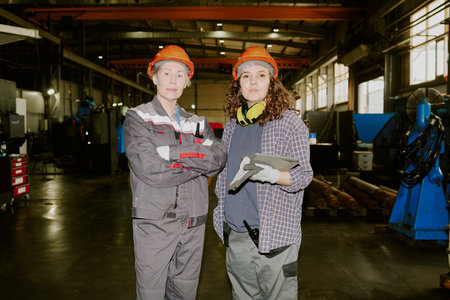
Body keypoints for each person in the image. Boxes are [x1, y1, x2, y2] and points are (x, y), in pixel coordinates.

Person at [123, 45, 227, 300]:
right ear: (154, 76)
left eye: (180, 74)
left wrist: (172, 153)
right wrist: (197, 162)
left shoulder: (198, 123)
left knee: (185, 292)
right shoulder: (138, 118)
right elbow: (151, 170)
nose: (173, 80)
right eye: (166, 72)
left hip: (194, 222)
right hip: (155, 223)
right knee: (151, 293)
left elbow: (219, 157)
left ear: (186, 81)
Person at [213, 46, 313, 299]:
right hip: (236, 235)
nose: (253, 81)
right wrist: (221, 216)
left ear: (272, 82)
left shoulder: (290, 123)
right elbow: (224, 177)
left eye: (261, 75)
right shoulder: (232, 126)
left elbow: (303, 175)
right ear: (238, 85)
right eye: (246, 76)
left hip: (275, 237)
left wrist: (273, 175)